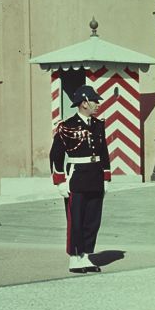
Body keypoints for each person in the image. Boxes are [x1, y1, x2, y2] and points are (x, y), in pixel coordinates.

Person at [50, 84, 112, 274]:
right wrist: (59, 181)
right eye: (94, 101)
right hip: (76, 176)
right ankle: (74, 258)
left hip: (94, 175)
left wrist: (106, 177)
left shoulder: (98, 124)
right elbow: (56, 155)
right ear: (84, 103)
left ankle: (86, 255)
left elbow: (104, 152)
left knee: (93, 219)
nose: (97, 104)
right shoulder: (66, 126)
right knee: (76, 219)